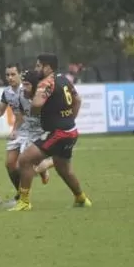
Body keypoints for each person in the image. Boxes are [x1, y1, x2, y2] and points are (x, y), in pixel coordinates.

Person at [9, 54, 92, 212]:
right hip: (71, 131)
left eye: (39, 66)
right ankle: (81, 198)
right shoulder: (63, 79)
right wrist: (69, 120)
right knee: (63, 169)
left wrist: (32, 104)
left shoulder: (46, 82)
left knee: (24, 160)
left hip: (58, 133)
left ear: (48, 67)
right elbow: (78, 100)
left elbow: (38, 104)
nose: (36, 69)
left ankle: (24, 202)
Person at [0, 64, 51, 205]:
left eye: (13, 74)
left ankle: (38, 175)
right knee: (9, 164)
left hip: (33, 129)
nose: (10, 77)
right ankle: (20, 194)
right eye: (7, 75)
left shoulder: (28, 88)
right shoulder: (7, 92)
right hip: (21, 128)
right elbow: (1, 111)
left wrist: (14, 129)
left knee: (23, 164)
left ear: (20, 74)